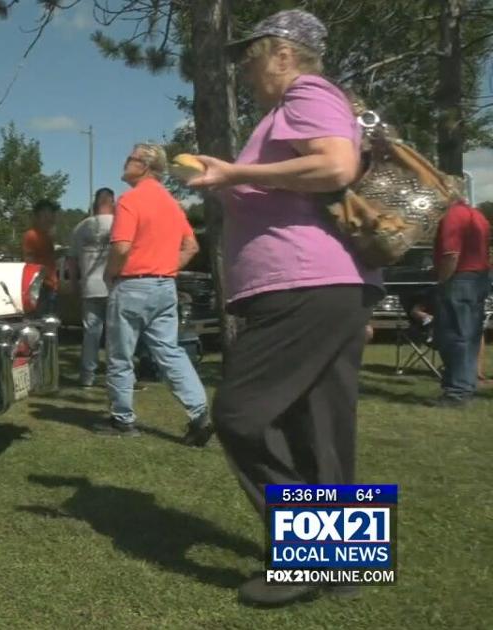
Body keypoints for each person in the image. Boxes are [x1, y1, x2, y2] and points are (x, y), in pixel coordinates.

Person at [187, 9, 383, 606]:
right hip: (327, 284)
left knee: (241, 414)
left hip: (304, 283)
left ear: (283, 53)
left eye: (251, 55)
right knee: (318, 427)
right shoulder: (293, 107)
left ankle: (307, 556)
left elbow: (335, 165)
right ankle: (342, 567)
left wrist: (238, 171)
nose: (246, 68)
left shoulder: (308, 91)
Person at [102, 143, 209, 443]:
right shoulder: (172, 204)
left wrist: (109, 273)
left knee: (120, 355)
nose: (125, 162)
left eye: (130, 158)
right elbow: (192, 246)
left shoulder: (129, 201)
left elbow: (121, 247)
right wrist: (164, 267)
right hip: (165, 286)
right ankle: (199, 413)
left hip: (132, 285)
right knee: (170, 352)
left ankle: (123, 420)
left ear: (145, 166)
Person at [431, 198, 491, 406]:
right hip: (479, 277)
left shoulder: (452, 215)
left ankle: (457, 392)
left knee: (454, 335)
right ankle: (465, 385)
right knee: (470, 336)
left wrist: (442, 281)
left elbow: (451, 254)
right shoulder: (478, 215)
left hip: (459, 277)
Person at [68, 188, 116, 386]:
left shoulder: (81, 227)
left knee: (91, 333)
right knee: (115, 334)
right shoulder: (119, 224)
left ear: (95, 203)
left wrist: (73, 283)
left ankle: (87, 376)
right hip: (114, 285)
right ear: (111, 202)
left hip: (89, 286)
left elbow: (71, 260)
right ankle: (116, 376)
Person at [23, 199, 60, 314]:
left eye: (52, 214)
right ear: (39, 216)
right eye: (48, 214)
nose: (51, 218)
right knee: (41, 322)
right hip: (41, 287)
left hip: (51, 285)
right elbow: (29, 261)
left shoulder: (47, 237)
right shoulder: (32, 235)